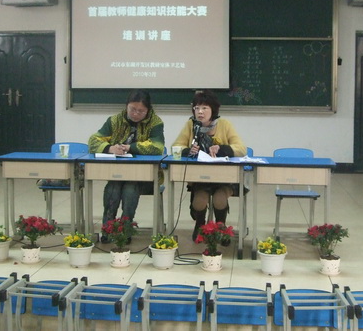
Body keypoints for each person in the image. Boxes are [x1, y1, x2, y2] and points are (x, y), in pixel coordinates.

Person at [172, 90, 246, 241]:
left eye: (204, 108)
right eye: (197, 108)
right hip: (200, 177)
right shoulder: (191, 125)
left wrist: (222, 149)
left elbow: (241, 149)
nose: (200, 112)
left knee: (219, 199)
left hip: (224, 178)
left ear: (213, 110)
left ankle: (220, 227)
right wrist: (187, 151)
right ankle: (200, 225)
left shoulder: (224, 124)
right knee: (199, 201)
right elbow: (175, 147)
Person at [88, 90, 165, 229]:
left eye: (141, 111)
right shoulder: (115, 120)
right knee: (113, 187)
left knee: (130, 188)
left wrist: (130, 148)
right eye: (132, 109)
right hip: (118, 173)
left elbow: (157, 147)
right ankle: (108, 227)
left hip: (144, 176)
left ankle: (125, 227)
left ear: (148, 110)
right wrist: (110, 148)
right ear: (126, 106)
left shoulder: (155, 123)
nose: (135, 114)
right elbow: (93, 141)